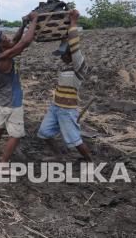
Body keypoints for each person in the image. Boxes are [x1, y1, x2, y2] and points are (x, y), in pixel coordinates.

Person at [37, 9, 93, 162]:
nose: (61, 58)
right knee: (44, 132)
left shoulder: (79, 67)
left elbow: (75, 46)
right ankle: (58, 155)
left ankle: (90, 162)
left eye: (63, 55)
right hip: (56, 107)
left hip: (67, 110)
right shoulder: (66, 67)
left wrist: (74, 22)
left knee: (75, 140)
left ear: (70, 55)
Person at [0, 12, 38, 163]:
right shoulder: (4, 58)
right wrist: (34, 20)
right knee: (16, 135)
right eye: (4, 38)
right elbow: (25, 42)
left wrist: (23, 25)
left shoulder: (0, 54)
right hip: (12, 102)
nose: (8, 38)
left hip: (3, 101)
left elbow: (16, 40)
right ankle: (3, 164)